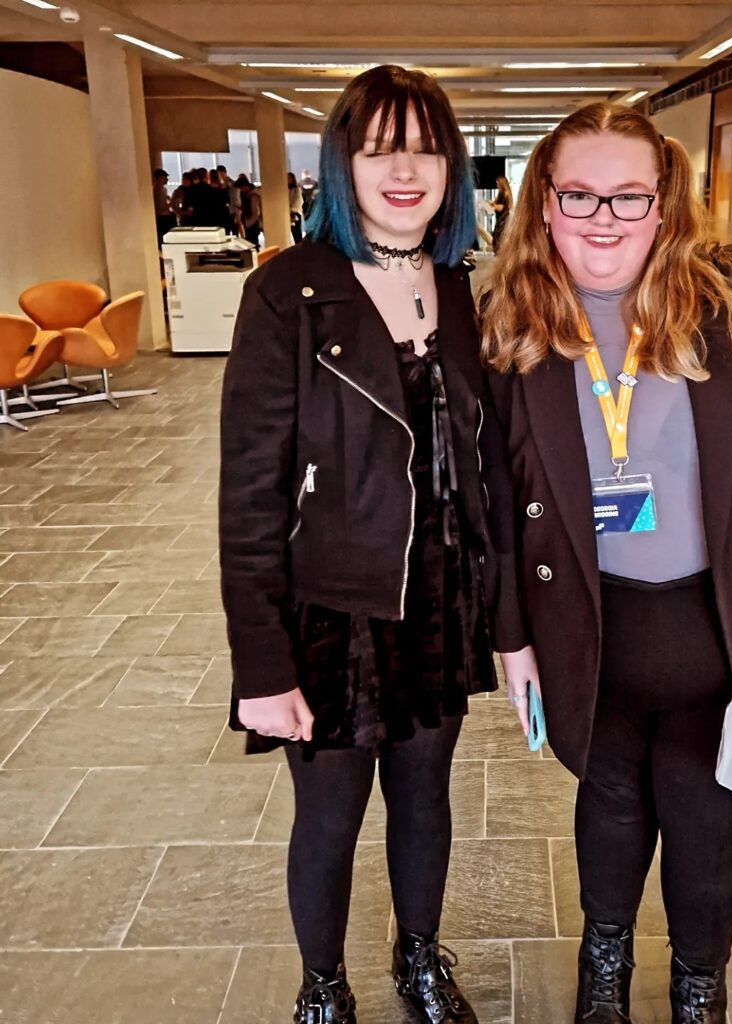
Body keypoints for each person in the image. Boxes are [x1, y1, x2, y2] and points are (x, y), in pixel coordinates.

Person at [482, 102, 732, 1024]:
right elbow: (495, 495)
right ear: (544, 204)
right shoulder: (515, 314)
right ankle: (602, 964)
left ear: (664, 201)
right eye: (579, 196)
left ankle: (696, 984)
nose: (603, 220)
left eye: (628, 198)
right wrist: (513, 637)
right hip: (586, 627)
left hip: (717, 622)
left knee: (706, 817)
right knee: (605, 808)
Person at [219, 64, 520, 1024]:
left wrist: (511, 619)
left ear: (452, 169)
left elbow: (500, 478)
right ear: (343, 161)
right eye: (379, 146)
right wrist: (261, 665)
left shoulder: (469, 294)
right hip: (333, 608)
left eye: (425, 147)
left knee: (426, 797)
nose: (405, 169)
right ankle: (323, 985)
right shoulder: (288, 294)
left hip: (440, 603)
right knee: (331, 815)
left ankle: (421, 959)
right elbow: (249, 498)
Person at [235, 174, 262, 249]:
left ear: (244, 186)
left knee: (252, 244)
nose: (240, 190)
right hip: (250, 222)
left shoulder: (253, 195)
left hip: (252, 223)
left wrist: (248, 223)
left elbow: (256, 212)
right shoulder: (249, 195)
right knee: (252, 243)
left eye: (241, 188)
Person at [488, 174, 513, 252]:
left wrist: (494, 206)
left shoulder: (504, 194)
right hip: (501, 218)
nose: (497, 185)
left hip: (502, 218)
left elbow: (501, 207)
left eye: (498, 183)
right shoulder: (503, 194)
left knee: (499, 236)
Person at [152, 168, 176, 242]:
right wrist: (172, 202)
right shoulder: (156, 191)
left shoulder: (164, 190)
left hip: (167, 216)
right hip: (162, 218)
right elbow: (161, 208)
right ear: (158, 179)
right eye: (164, 178)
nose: (166, 179)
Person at [288, 171, 304, 244]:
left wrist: (290, 209)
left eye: (289, 178)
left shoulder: (297, 190)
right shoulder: (284, 190)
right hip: (288, 213)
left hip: (295, 213)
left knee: (297, 233)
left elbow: (297, 202)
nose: (287, 180)